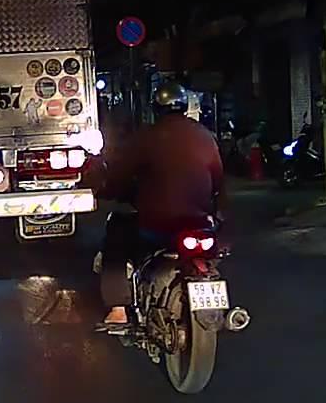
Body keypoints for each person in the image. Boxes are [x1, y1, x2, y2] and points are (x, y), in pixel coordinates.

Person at [84, 80, 226, 330]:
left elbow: (120, 176)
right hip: (201, 222)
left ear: (155, 107)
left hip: (158, 222)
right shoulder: (205, 136)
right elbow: (218, 180)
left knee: (116, 234)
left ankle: (118, 310)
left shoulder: (146, 137)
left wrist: (109, 190)